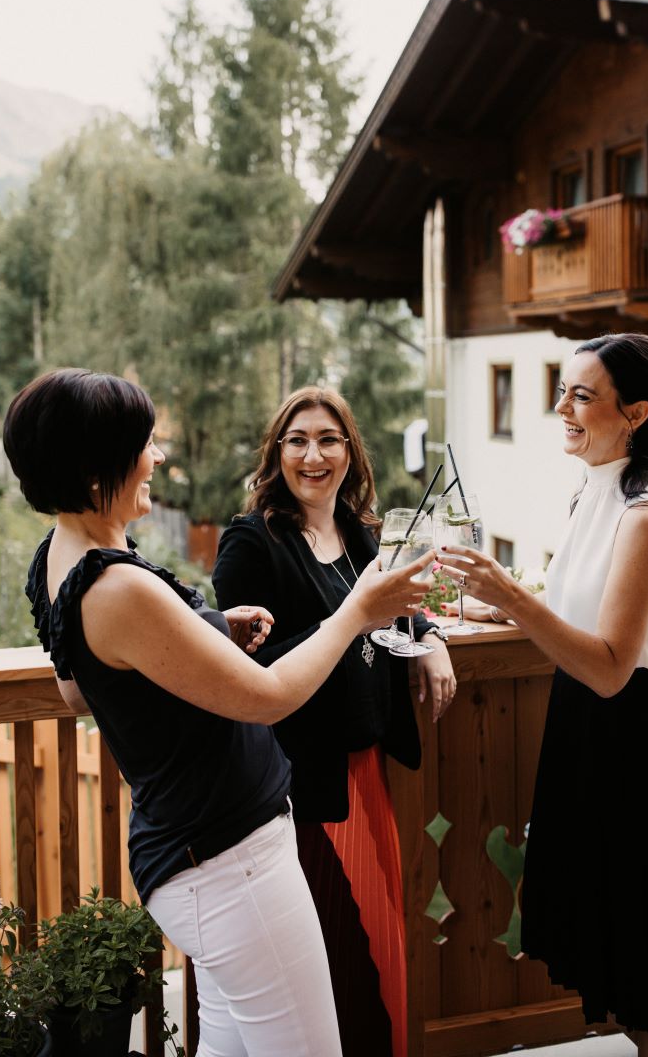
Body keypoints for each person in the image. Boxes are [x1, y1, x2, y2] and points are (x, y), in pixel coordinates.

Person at [3, 368, 435, 1057]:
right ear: (95, 471)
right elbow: (268, 698)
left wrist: (199, 633)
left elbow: (81, 689)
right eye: (146, 444)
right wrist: (358, 612)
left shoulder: (63, 555)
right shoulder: (116, 586)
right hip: (229, 862)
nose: (159, 458)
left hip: (200, 854)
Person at [439, 334, 648, 1057]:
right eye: (563, 389)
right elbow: (581, 611)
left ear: (636, 412)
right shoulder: (598, 486)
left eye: (581, 395)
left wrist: (507, 593)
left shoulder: (645, 515)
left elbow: (614, 664)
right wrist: (490, 606)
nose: (562, 406)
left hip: (624, 742)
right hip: (583, 735)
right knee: (618, 945)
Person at [212, 386, 456, 1057]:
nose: (313, 455)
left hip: (367, 773)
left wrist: (429, 637)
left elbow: (404, 601)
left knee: (380, 952)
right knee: (335, 963)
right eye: (297, 441)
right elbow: (244, 673)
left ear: (350, 451)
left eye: (328, 440)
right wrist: (348, 620)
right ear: (276, 454)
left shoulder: (362, 532)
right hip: (300, 788)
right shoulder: (252, 540)